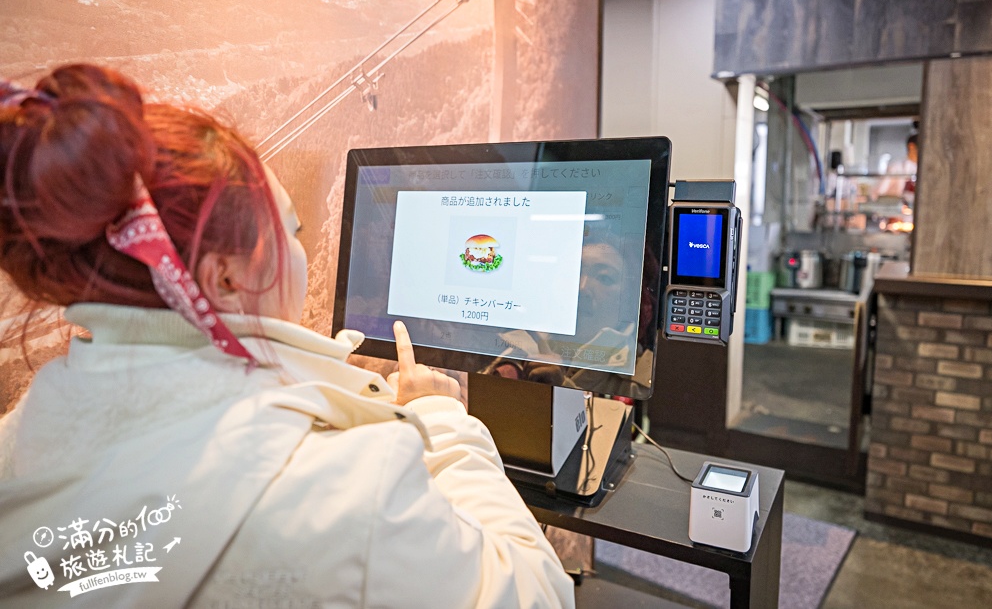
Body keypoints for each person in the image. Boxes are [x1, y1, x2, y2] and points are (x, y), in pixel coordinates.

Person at [0, 64, 574, 607]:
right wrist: (442, 421)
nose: (301, 254)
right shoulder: (345, 488)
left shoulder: (17, 436)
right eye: (292, 232)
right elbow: (539, 593)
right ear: (221, 277)